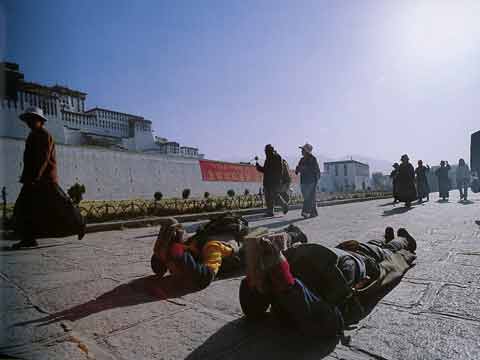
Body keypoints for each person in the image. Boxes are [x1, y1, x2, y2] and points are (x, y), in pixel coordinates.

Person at [239, 227, 417, 340]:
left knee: (378, 247)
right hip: (359, 258)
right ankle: (405, 240)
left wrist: (264, 268)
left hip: (348, 255)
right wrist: (274, 271)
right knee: (385, 250)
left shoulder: (294, 283)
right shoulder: (314, 295)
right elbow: (325, 321)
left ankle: (393, 240)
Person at [150, 215, 307, 291]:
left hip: (241, 250)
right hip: (230, 240)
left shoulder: (210, 247)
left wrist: (174, 254)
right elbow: (158, 269)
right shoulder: (188, 244)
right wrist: (160, 255)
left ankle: (294, 233)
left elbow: (203, 278)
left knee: (269, 243)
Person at [11, 107, 85, 249]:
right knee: (25, 209)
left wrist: (36, 177)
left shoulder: (45, 136)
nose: (29, 123)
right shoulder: (33, 135)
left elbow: (43, 159)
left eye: (32, 120)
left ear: (40, 121)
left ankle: (80, 223)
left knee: (63, 205)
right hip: (32, 180)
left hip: (44, 180)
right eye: (28, 120)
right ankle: (29, 238)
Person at [255, 144, 289, 216]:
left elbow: (280, 170)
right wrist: (259, 167)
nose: (265, 152)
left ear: (270, 150)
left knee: (274, 196)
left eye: (266, 150)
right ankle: (271, 211)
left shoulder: (277, 157)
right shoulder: (267, 159)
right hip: (267, 181)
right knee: (269, 196)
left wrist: (279, 179)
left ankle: (283, 206)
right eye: (265, 151)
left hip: (274, 181)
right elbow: (265, 170)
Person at [295, 143, 321, 218]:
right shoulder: (302, 159)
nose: (301, 151)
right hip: (303, 181)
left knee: (308, 197)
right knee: (309, 197)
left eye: (302, 150)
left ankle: (305, 212)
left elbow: (315, 169)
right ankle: (314, 212)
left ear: (306, 151)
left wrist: (303, 168)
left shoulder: (312, 158)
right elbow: (298, 168)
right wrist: (297, 169)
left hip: (311, 181)